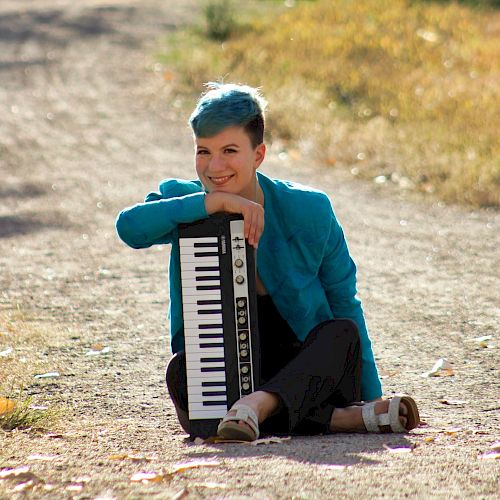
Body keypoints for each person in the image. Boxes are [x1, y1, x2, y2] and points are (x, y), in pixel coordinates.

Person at [116, 82, 420, 441]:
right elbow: (130, 228)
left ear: (258, 154)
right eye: (203, 152)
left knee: (342, 333)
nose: (215, 166)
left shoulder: (310, 209)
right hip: (222, 366)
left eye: (230, 150)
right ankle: (339, 420)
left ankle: (259, 406)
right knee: (181, 370)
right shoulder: (184, 201)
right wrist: (211, 204)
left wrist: (371, 395)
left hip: (304, 365)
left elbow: (344, 301)